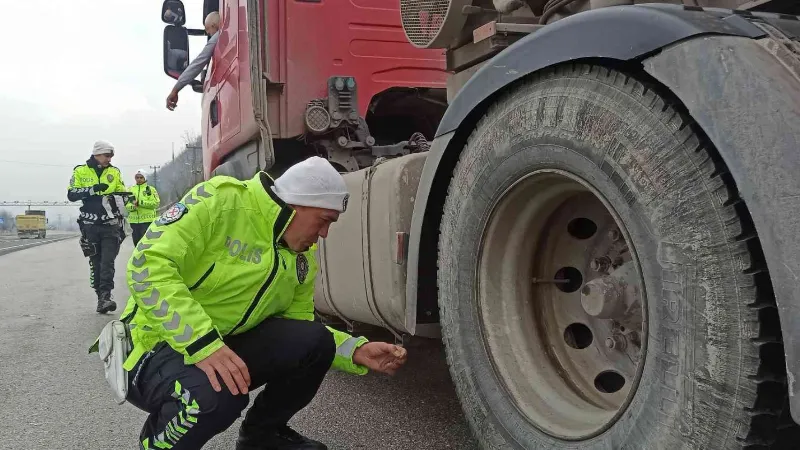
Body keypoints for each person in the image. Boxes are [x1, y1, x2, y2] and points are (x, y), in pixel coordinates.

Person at [103, 156, 407, 449]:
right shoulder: (221, 201)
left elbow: (297, 330)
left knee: (314, 342)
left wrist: (355, 350)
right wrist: (202, 343)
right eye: (325, 221)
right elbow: (147, 264)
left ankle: (263, 438)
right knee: (213, 397)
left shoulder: (300, 259)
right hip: (150, 346)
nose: (324, 234)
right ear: (299, 204)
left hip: (216, 345)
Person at [68, 140, 128, 313]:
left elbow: (121, 192)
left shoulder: (114, 172)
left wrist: (125, 200)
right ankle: (99, 296)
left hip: (110, 225)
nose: (109, 159)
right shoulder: (80, 171)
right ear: (97, 154)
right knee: (96, 262)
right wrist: (93, 190)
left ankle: (106, 296)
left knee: (108, 261)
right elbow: (72, 194)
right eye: (107, 156)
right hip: (90, 225)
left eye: (111, 156)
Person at [166, 11, 221, 111]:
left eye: (209, 33)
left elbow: (198, 63)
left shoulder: (219, 35)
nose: (210, 36)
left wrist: (175, 89)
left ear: (214, 25)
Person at [126, 169, 161, 246]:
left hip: (147, 221)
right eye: (137, 177)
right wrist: (133, 207)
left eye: (141, 177)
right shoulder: (130, 190)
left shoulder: (151, 190)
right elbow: (127, 205)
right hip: (134, 222)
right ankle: (138, 258)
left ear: (145, 178)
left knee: (146, 244)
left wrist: (141, 203)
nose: (139, 179)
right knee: (137, 244)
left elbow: (155, 203)